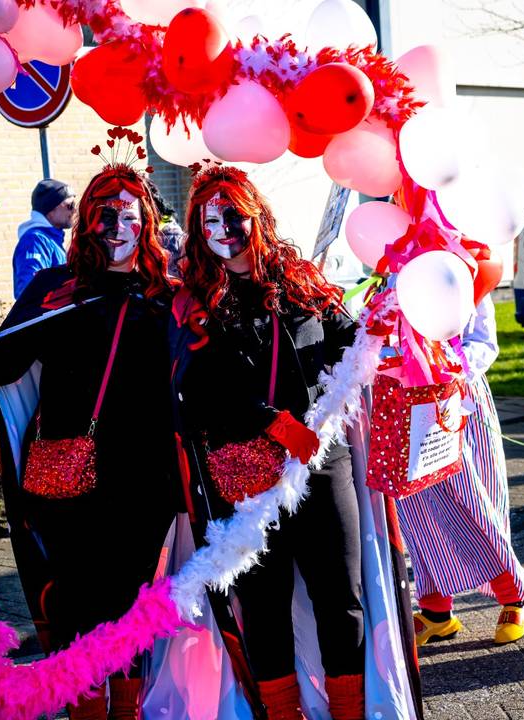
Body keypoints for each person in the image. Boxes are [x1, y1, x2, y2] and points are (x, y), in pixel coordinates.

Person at [0, 164, 178, 719]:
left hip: (145, 483)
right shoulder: (54, 290)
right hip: (67, 480)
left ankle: (127, 712)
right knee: (74, 607)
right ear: (86, 222)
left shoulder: (167, 297)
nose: (117, 228)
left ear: (147, 224)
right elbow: (2, 362)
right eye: (105, 216)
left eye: (129, 217)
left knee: (130, 610)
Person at [171, 166, 417, 720]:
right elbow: (192, 390)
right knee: (264, 607)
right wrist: (270, 422)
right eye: (210, 220)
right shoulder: (193, 301)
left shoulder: (301, 280)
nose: (224, 229)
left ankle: (350, 713)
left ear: (256, 216)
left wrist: (383, 334)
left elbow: (347, 341)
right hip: (245, 476)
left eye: (233, 215)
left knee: (341, 596)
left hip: (320, 462)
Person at [399, 295, 524, 647]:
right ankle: (435, 610)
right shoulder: (388, 275)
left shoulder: (462, 275)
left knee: (469, 500)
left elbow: (483, 341)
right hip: (405, 401)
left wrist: (447, 369)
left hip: (455, 397)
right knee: (417, 509)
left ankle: (516, 596)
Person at [13, 178, 76, 298]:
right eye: (70, 205)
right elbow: (29, 292)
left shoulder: (51, 240)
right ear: (51, 209)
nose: (74, 210)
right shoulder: (35, 241)